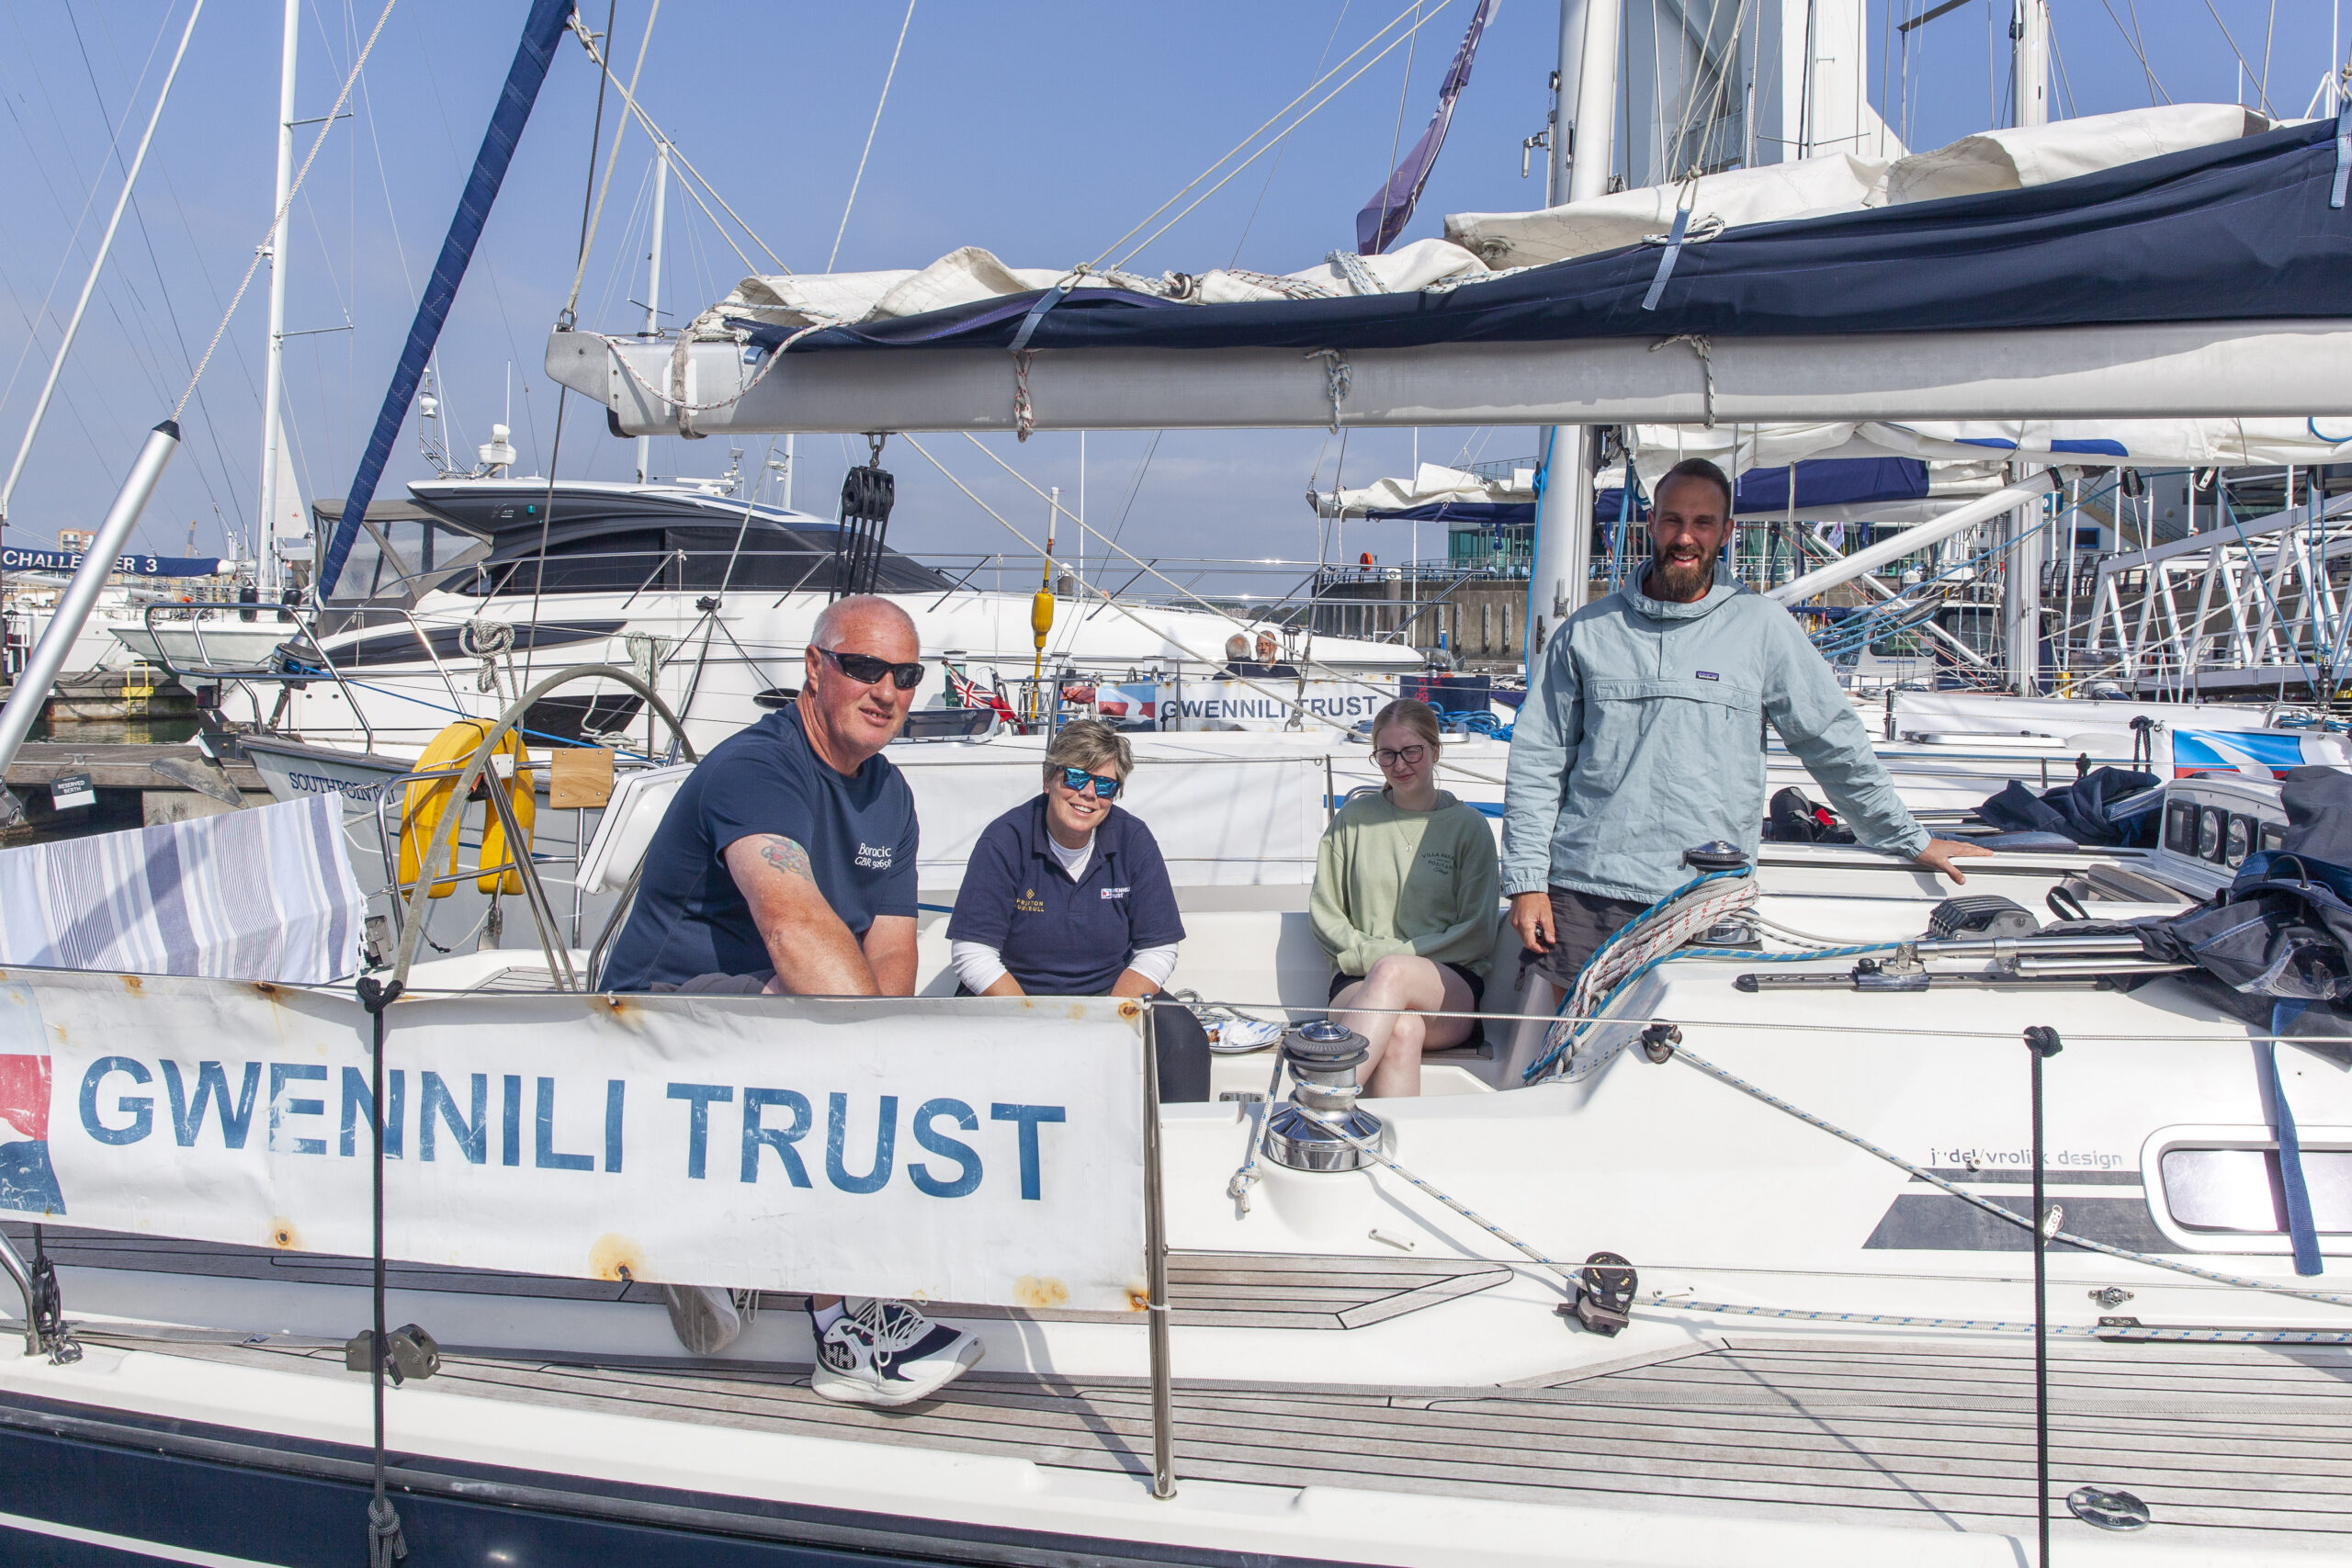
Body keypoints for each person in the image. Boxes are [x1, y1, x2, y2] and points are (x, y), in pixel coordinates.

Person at [602, 594, 983, 1406]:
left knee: (857, 1026)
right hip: (655, 1010)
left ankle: (729, 1243)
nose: (886, 690)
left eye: (905, 675)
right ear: (816, 669)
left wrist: (894, 1051)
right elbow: (795, 928)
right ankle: (842, 1316)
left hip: (762, 1006)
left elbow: (890, 943)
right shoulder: (756, 768)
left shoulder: (890, 794)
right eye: (864, 667)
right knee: (809, 1010)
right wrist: (874, 1058)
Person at [1501, 457, 1993, 987]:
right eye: (1671, 520)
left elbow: (1831, 742)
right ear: (1651, 524)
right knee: (1564, 1046)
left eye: (1702, 523)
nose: (1684, 537)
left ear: (1727, 532)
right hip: (1585, 887)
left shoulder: (1762, 628)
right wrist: (1528, 881)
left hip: (1704, 894)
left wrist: (1906, 838)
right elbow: (1538, 761)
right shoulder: (1587, 633)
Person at [947, 720, 1211, 1101]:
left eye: (1104, 785)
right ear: (1048, 779)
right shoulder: (1005, 839)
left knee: (1184, 1038)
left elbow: (1158, 948)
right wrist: (1028, 1021)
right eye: (1074, 778)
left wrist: (1109, 1020)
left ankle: (1172, 1155)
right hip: (1014, 994)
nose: (1088, 794)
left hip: (1108, 994)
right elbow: (972, 951)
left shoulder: (1133, 839)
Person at [1312, 698, 1502, 1097]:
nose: (1400, 765)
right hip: (1356, 981)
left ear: (1435, 750)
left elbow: (1477, 931)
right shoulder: (1352, 821)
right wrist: (1370, 957)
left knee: (1393, 972)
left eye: (1411, 751)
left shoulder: (1469, 828)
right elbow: (1326, 913)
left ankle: (1317, 1102)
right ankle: (1390, 1152)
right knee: (1402, 1026)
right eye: (1387, 754)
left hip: (1447, 990)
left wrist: (1387, 959)